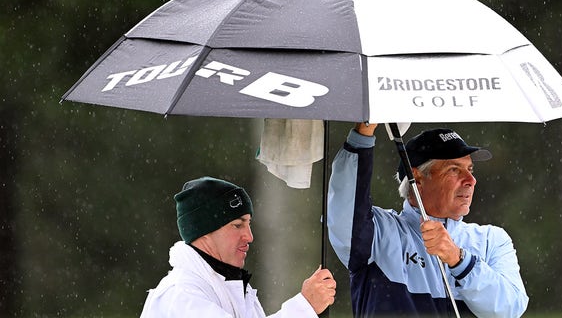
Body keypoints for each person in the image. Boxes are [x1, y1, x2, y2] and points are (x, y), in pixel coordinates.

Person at [327, 123, 529, 317]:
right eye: (454, 170)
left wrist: (459, 260)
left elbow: (510, 309)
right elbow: (345, 208)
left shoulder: (491, 239)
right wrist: (363, 134)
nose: (471, 180)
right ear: (418, 179)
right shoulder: (380, 232)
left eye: (470, 169)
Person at [140, 176, 336, 317]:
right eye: (237, 225)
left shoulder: (233, 286)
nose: (249, 236)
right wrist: (304, 307)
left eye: (249, 224)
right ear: (204, 231)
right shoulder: (181, 295)